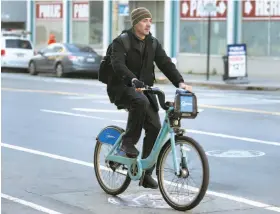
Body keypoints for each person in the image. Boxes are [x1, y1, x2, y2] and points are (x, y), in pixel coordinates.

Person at [107, 7, 192, 189]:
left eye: (150, 20)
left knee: (155, 127)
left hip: (144, 89)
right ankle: (127, 144)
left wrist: (180, 82)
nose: (148, 24)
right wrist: (133, 80)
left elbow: (165, 63)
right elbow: (118, 64)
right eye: (144, 20)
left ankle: (146, 174)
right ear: (135, 22)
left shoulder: (152, 43)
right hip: (123, 87)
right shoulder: (121, 41)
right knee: (140, 101)